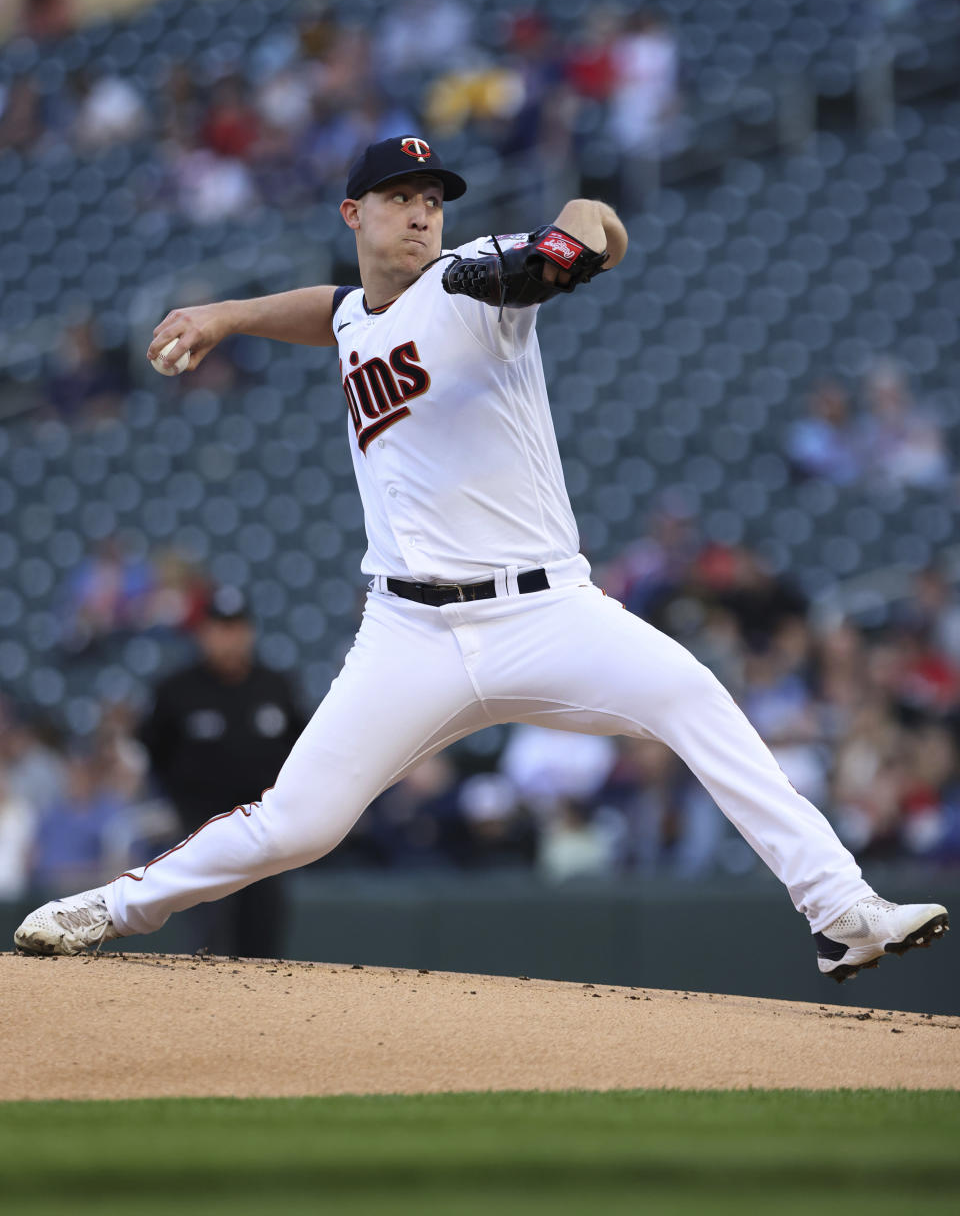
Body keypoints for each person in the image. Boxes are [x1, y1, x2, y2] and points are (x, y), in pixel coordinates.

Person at [15, 134, 949, 984]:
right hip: (408, 631)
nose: (422, 212)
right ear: (353, 213)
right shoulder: (355, 319)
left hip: (545, 612)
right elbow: (333, 312)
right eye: (399, 196)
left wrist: (577, 240)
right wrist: (226, 312)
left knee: (694, 699)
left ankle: (842, 911)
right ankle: (111, 904)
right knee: (297, 825)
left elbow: (587, 228)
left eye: (434, 197)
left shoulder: (469, 280)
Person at [137, 586, 306, 957]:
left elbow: (302, 749)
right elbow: (154, 751)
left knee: (264, 931)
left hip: (265, 829)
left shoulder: (276, 687)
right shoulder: (176, 691)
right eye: (219, 627)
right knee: (208, 933)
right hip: (201, 828)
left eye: (236, 627)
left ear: (249, 632)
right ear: (203, 633)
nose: (228, 637)